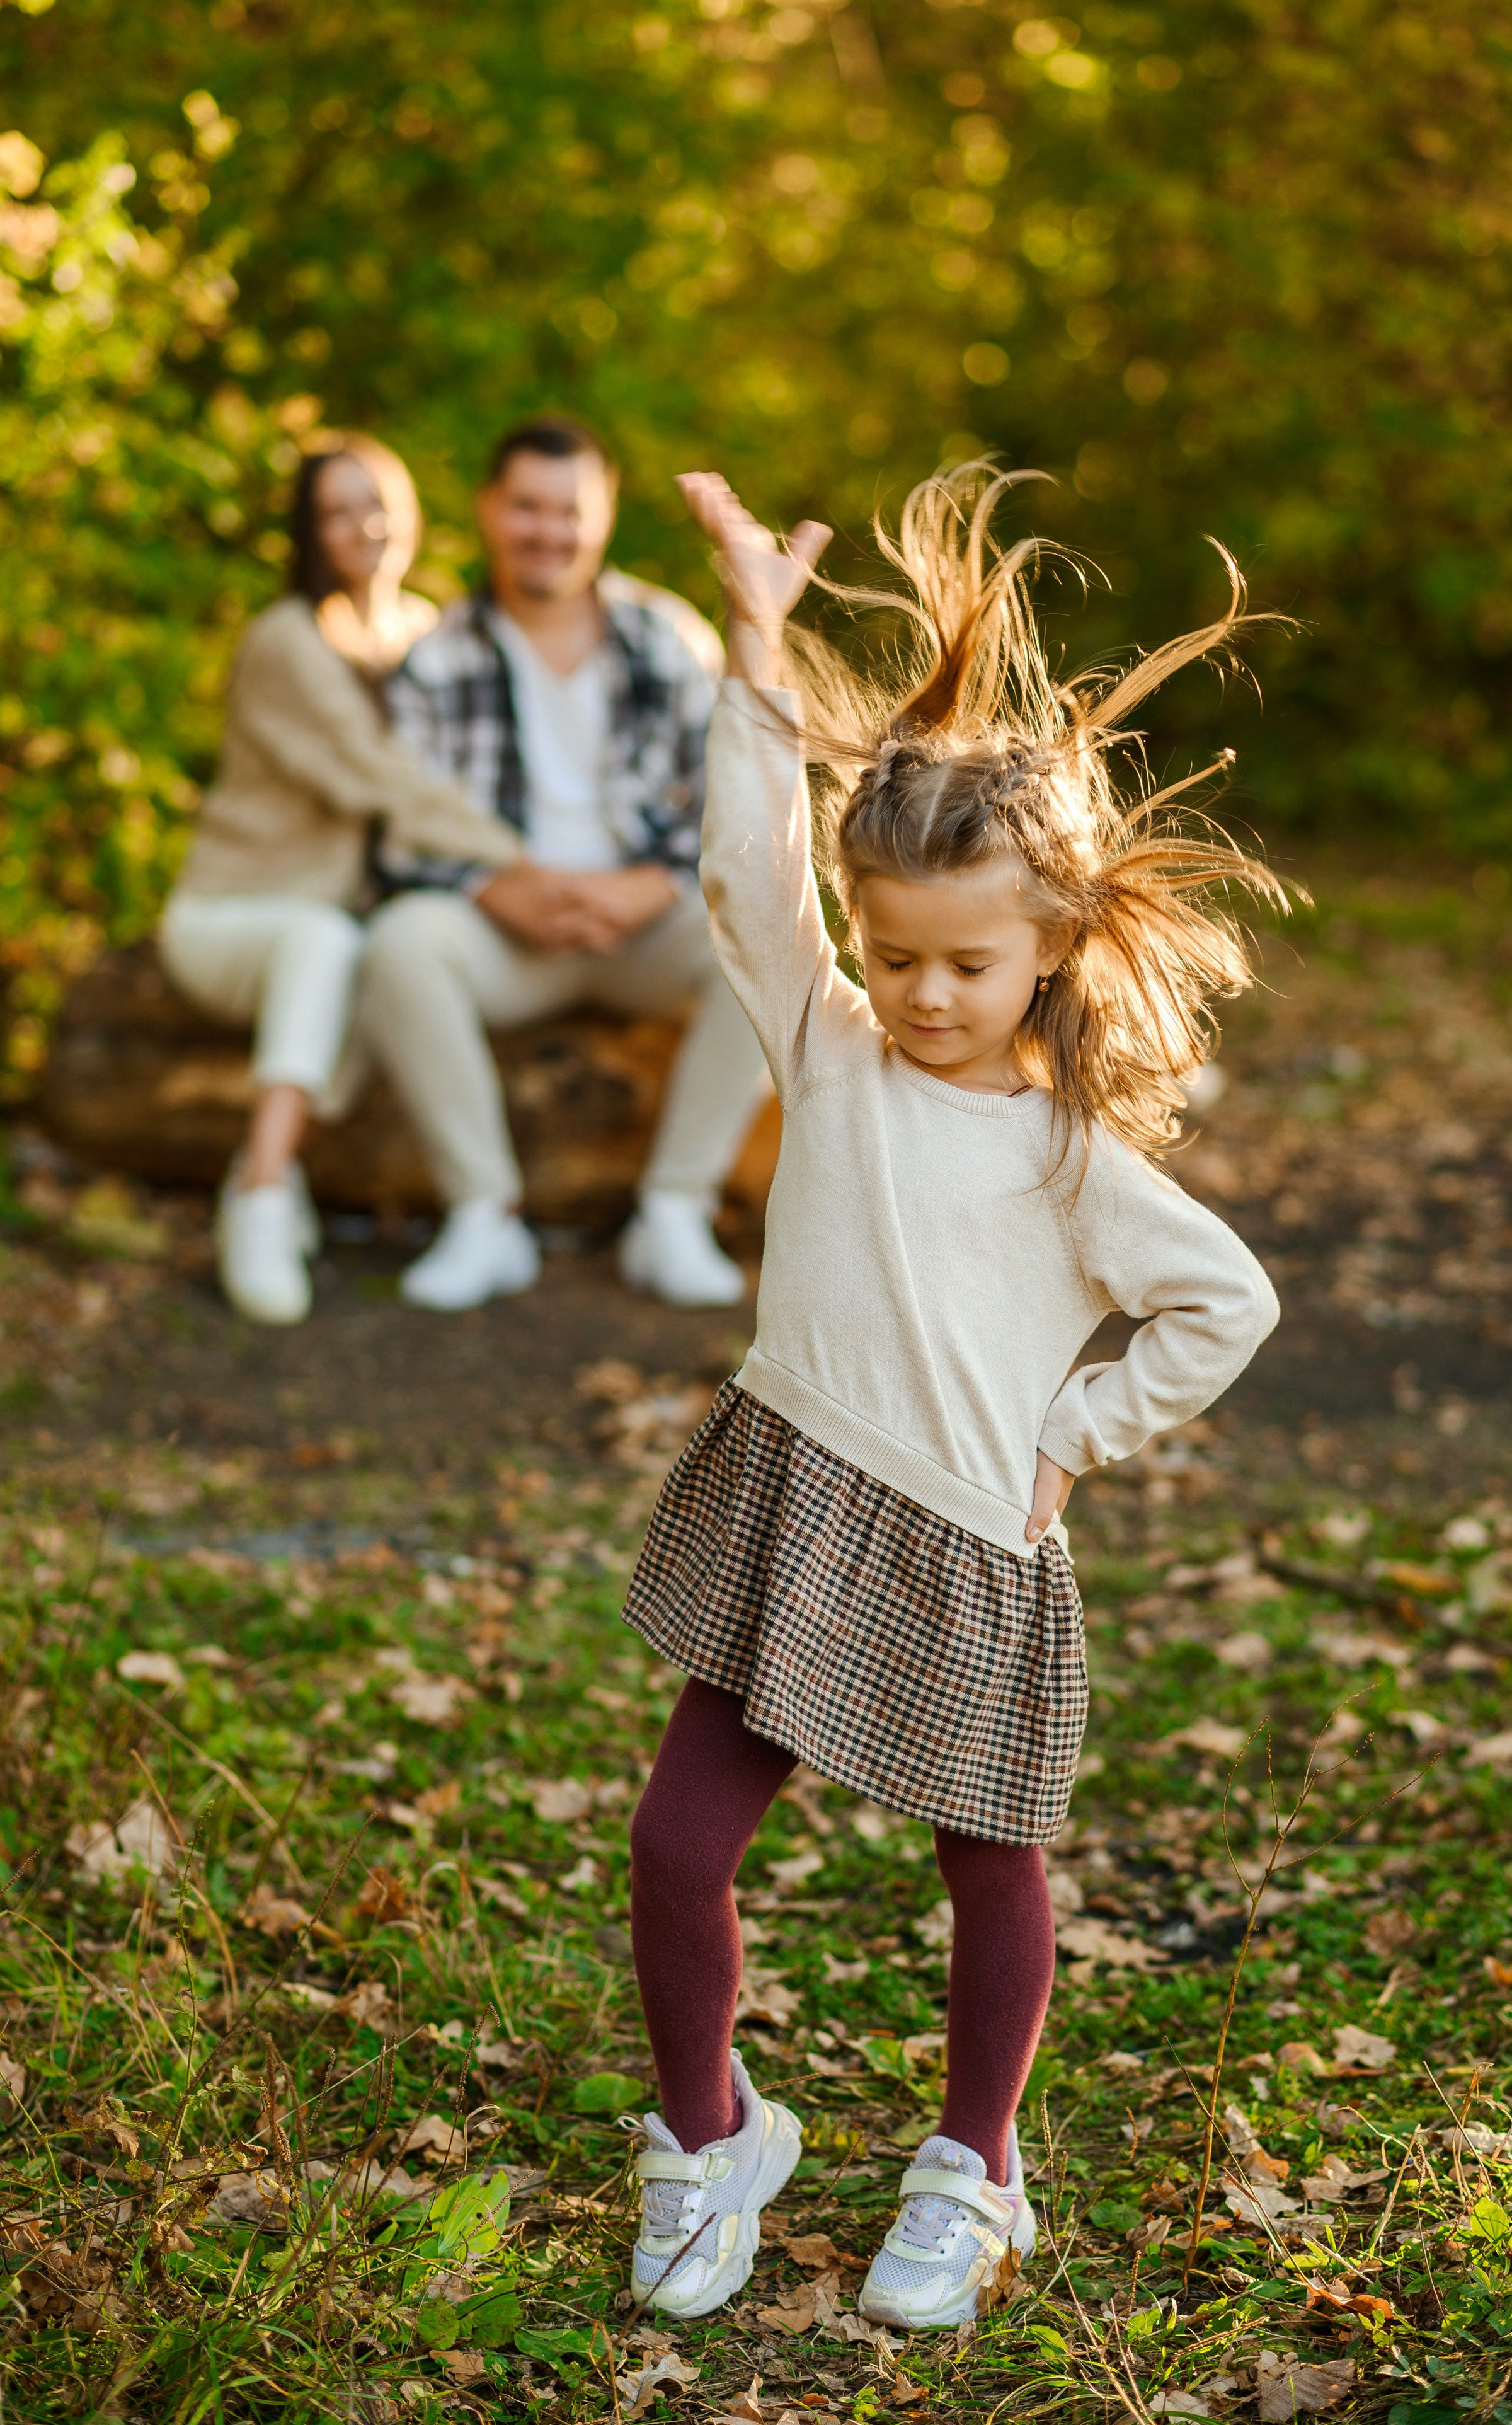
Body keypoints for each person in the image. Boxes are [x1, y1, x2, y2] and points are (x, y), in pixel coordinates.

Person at [619, 466, 1288, 2329]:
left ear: (1055, 944)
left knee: (991, 1872)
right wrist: (756, 653)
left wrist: (1069, 1437)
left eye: (967, 962)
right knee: (679, 1845)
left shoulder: (1077, 1154)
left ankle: (976, 2165)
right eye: (894, 951)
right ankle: (711, 2132)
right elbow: (748, 879)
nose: (920, 993)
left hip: (969, 1537)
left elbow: (1224, 1300)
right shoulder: (829, 1050)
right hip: (796, 1492)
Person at [358, 416, 767, 1313]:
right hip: (511, 931)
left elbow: (729, 795)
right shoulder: (436, 659)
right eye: (526, 507)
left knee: (766, 941)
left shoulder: (667, 639)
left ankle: (673, 1211)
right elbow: (404, 834)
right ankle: (484, 1214)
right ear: (488, 510)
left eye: (569, 510)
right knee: (400, 943)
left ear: (605, 515)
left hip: (643, 924)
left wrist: (649, 886)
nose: (548, 530)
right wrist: (502, 890)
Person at [159, 434, 525, 1324]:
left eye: (379, 501)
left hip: (339, 930)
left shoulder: (423, 634)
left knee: (373, 959)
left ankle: (268, 1179)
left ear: (409, 513)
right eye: (336, 509)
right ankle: (260, 1187)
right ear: (309, 531)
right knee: (329, 942)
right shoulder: (287, 641)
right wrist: (528, 869)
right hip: (230, 916)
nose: (363, 524)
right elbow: (383, 784)